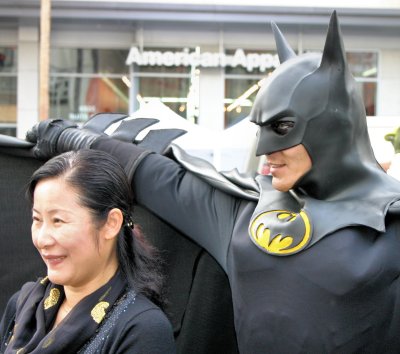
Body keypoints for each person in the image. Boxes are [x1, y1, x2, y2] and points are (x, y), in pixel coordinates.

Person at [22, 11, 400, 353]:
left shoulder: (390, 222)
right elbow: (149, 173)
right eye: (262, 128)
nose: (266, 148)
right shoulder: (243, 209)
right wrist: (67, 138)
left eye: (282, 128)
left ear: (334, 124)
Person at [0, 149, 176, 354]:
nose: (42, 239)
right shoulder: (24, 305)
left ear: (111, 223)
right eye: (37, 220)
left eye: (58, 221)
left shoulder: (141, 328)